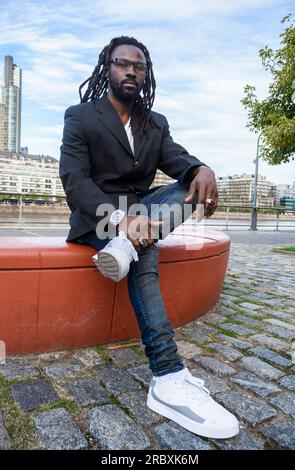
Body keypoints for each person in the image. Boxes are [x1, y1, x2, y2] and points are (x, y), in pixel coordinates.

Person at [59, 36, 239, 439]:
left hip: (143, 220)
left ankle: (130, 244)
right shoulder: (81, 116)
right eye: (122, 64)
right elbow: (74, 181)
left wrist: (201, 169)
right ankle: (168, 375)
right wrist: (122, 220)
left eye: (138, 66)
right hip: (100, 217)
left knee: (188, 188)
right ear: (107, 67)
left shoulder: (154, 123)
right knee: (145, 251)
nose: (130, 71)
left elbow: (179, 162)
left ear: (146, 74)